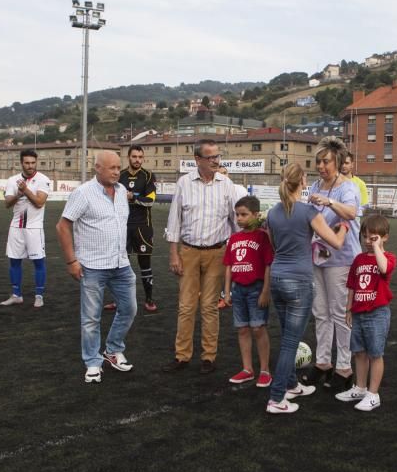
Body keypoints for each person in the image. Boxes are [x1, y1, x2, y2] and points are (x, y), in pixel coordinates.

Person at [265, 163, 348, 414]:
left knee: (287, 337)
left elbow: (274, 245)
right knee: (291, 341)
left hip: (278, 279)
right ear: (302, 182)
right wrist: (344, 226)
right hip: (299, 281)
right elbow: (335, 243)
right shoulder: (308, 211)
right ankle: (277, 398)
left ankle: (291, 385)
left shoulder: (272, 213)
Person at [56, 150, 137, 384]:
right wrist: (72, 261)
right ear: (97, 168)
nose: (116, 172)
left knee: (129, 309)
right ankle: (92, 362)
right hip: (92, 267)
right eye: (111, 168)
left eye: (118, 167)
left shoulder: (122, 192)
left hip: (121, 264)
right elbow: (62, 226)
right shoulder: (83, 193)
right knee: (91, 318)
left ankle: (112, 350)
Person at [163, 139, 239, 375]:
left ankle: (209, 357)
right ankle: (182, 356)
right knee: (186, 306)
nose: (216, 161)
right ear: (197, 159)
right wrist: (174, 254)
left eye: (218, 156)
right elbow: (174, 220)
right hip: (188, 252)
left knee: (209, 307)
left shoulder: (227, 184)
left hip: (217, 253)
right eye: (211, 157)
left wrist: (237, 254)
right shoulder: (184, 183)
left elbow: (235, 222)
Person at [302, 136, 362, 393]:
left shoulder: (347, 187)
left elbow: (350, 213)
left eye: (326, 161)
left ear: (337, 162)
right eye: (318, 162)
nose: (321, 166)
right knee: (321, 312)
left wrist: (329, 202)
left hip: (342, 259)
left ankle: (345, 367)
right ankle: (323, 362)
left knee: (340, 313)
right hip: (319, 257)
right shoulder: (316, 184)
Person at [336, 215, 397, 412]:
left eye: (374, 237)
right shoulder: (359, 259)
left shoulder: (388, 257)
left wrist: (378, 248)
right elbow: (352, 286)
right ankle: (360, 387)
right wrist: (348, 309)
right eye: (366, 237)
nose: (368, 241)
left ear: (384, 237)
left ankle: (373, 394)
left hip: (377, 313)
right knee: (359, 352)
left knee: (375, 354)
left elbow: (383, 268)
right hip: (359, 312)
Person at [222, 195, 274, 387]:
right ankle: (247, 369)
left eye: (244, 214)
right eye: (237, 215)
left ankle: (265, 370)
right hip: (238, 290)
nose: (239, 218)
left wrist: (265, 291)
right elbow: (228, 266)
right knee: (242, 329)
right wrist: (226, 292)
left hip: (256, 288)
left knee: (258, 328)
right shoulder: (234, 238)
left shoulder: (262, 237)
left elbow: (268, 265)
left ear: (256, 214)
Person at [109, 144, 159, 313]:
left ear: (143, 158)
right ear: (128, 158)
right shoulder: (120, 175)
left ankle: (149, 299)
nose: (137, 160)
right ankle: (118, 300)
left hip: (142, 227)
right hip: (121, 226)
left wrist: (132, 197)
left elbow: (150, 200)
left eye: (140, 157)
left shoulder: (148, 176)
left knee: (145, 263)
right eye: (134, 157)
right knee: (119, 264)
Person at [0, 149, 51, 308]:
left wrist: (26, 190)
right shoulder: (12, 180)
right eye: (27, 163)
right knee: (14, 261)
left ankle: (39, 296)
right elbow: (7, 203)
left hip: (34, 228)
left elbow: (39, 202)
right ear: (21, 163)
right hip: (16, 227)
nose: (30, 166)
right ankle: (16, 295)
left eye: (33, 163)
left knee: (38, 262)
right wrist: (18, 195)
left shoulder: (43, 179)